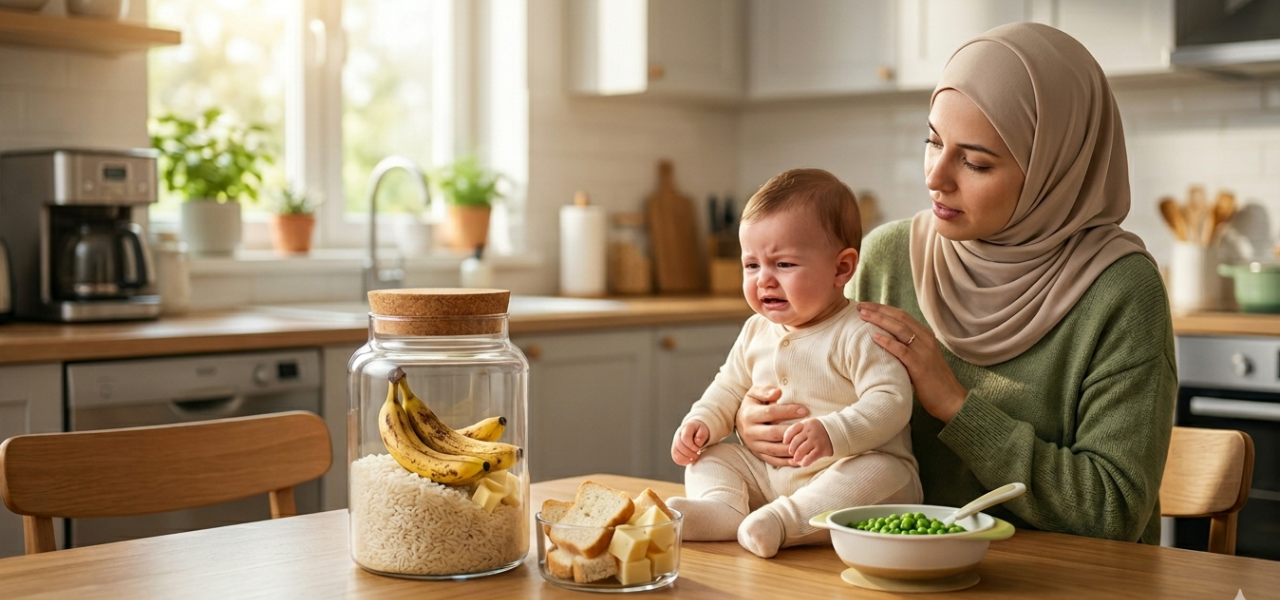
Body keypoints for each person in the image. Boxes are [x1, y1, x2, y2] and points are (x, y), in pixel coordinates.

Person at [734, 22, 1176, 545]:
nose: (935, 177)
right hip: (887, 562)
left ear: (1052, 170)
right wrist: (754, 421)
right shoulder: (886, 256)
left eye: (975, 162)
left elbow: (1112, 511)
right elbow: (825, 415)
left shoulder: (1121, 290)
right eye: (933, 141)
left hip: (1059, 575)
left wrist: (955, 405)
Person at [667, 168, 922, 559]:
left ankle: (783, 524)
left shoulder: (861, 331)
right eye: (752, 265)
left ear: (841, 268)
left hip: (847, 472)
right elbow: (728, 387)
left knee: (883, 471)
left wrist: (834, 432)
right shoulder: (756, 330)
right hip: (771, 475)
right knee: (712, 456)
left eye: (783, 265)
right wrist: (702, 421)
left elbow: (892, 401)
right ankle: (723, 509)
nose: (764, 280)